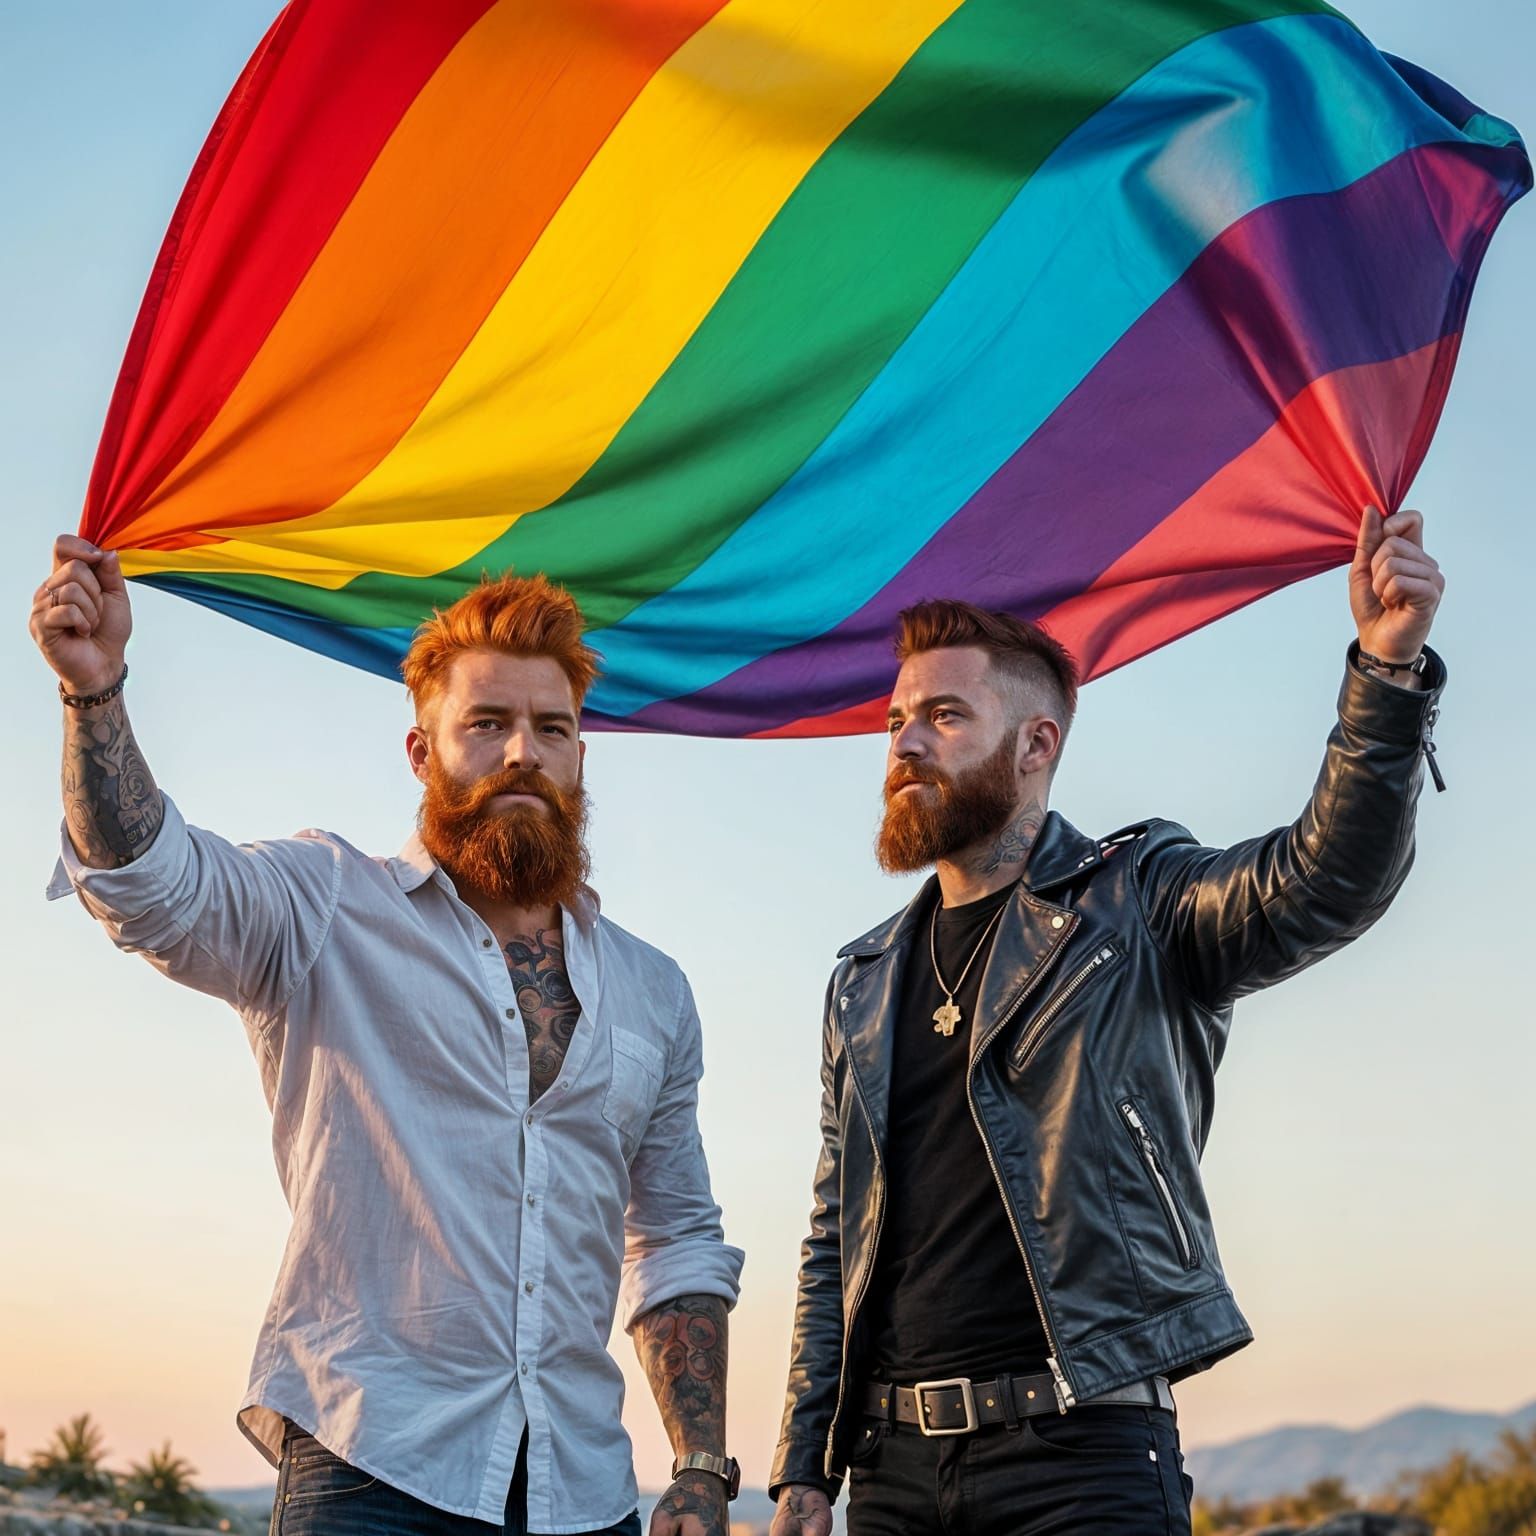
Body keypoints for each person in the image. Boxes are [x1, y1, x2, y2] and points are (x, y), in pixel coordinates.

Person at [31, 536, 746, 1536]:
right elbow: (150, 888)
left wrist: (703, 1467)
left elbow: (671, 1239)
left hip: (584, 1493)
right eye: (486, 723)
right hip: (371, 1474)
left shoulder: (653, 991)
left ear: (581, 753)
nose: (521, 754)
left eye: (551, 728)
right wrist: (95, 695)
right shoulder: (324, 902)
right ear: (422, 751)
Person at [768, 508, 1446, 1536]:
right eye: (897, 718)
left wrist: (1385, 677)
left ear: (1037, 744)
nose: (904, 741)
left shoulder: (1135, 904)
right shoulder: (860, 982)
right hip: (892, 1474)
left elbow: (1322, 881)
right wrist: (804, 1467)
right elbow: (836, 1240)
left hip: (1080, 1457)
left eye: (944, 715)